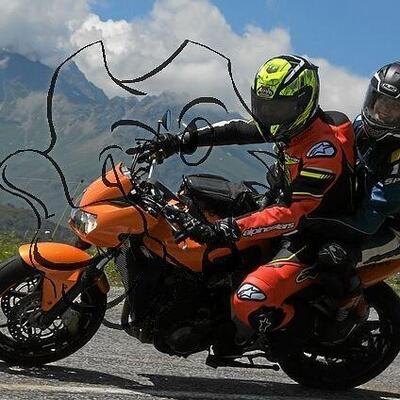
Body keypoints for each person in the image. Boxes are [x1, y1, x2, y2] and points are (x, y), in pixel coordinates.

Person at [157, 54, 356, 352]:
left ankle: (296, 335)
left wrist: (228, 228)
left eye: (277, 108)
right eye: (263, 106)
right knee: (199, 198)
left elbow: (294, 214)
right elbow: (238, 130)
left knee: (248, 299)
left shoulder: (323, 150)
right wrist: (183, 140)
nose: (269, 116)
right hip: (279, 206)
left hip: (311, 231)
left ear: (304, 101)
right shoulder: (288, 123)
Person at [304, 62, 400, 342]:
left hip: (389, 229)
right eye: (380, 101)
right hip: (359, 210)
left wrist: (311, 222)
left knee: (333, 255)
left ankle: (349, 314)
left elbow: (368, 222)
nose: (383, 110)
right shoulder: (359, 127)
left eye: (394, 107)